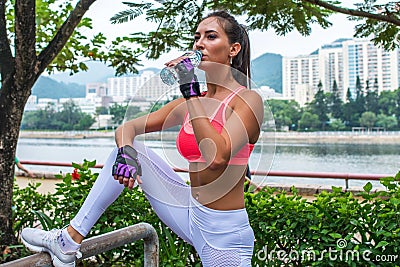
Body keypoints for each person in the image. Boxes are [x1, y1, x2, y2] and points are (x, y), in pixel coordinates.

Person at [21, 10, 264, 267]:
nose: (199, 44)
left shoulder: (247, 100)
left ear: (233, 49)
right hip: (189, 211)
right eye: (197, 37)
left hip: (224, 233)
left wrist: (190, 92)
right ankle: (67, 242)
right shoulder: (192, 101)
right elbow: (127, 128)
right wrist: (126, 154)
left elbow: (217, 156)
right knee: (127, 150)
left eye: (211, 36)